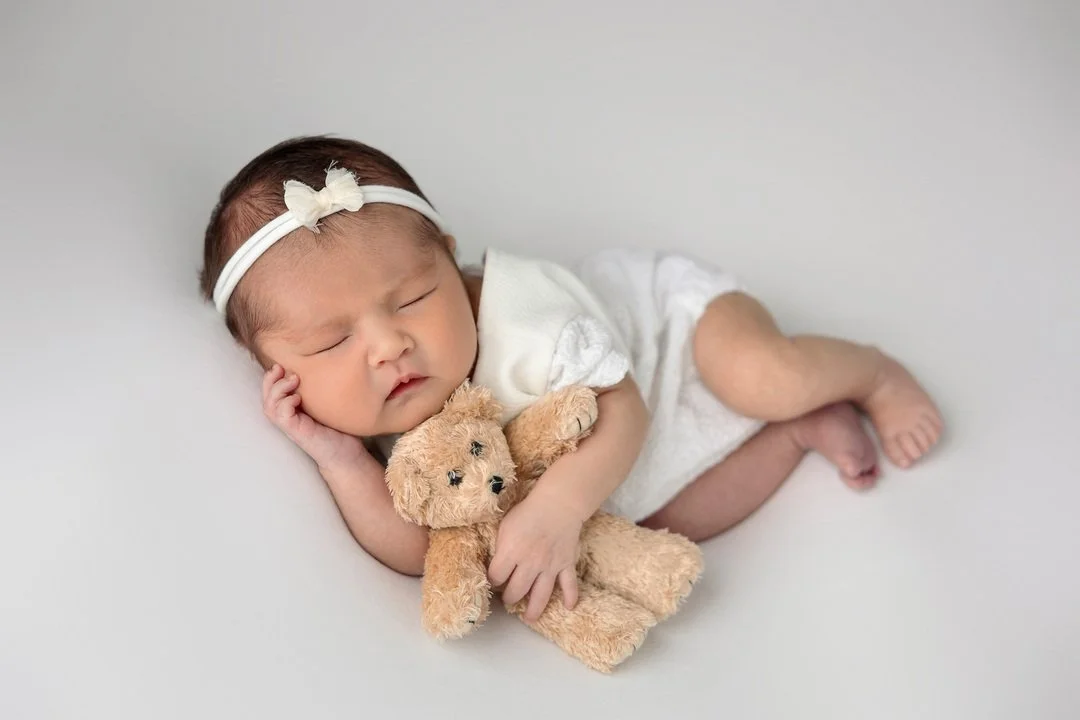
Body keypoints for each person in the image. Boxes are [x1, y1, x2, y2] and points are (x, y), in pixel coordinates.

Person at [199, 136, 943, 623]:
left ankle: (872, 371)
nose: (388, 345)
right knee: (653, 519)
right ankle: (800, 432)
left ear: (454, 266)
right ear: (279, 374)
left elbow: (625, 412)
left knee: (764, 377)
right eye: (331, 341)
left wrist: (556, 506)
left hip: (670, 336)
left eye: (414, 299)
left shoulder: (530, 316)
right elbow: (422, 552)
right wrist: (335, 457)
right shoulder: (377, 426)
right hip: (616, 461)